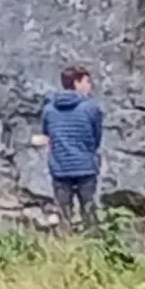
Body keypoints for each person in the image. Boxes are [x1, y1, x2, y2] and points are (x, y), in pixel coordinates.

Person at [36, 66, 104, 234]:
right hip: (85, 167)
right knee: (89, 211)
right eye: (87, 81)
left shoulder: (49, 109)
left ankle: (65, 249)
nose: (90, 85)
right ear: (77, 83)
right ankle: (93, 247)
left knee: (62, 212)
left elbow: (46, 135)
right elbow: (97, 137)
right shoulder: (90, 108)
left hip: (60, 167)